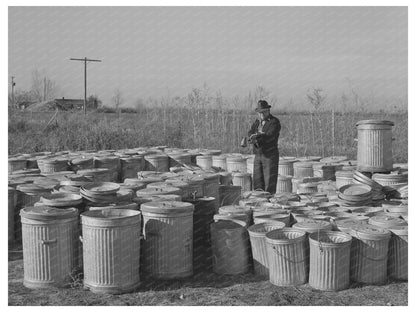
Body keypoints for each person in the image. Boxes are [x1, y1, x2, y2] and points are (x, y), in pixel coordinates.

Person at [248, 100, 281, 194]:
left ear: (268, 111)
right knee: (257, 182)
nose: (261, 114)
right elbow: (250, 132)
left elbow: (270, 136)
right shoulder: (257, 122)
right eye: (260, 112)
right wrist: (252, 137)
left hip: (270, 156)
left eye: (264, 112)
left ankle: (269, 204)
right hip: (258, 154)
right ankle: (259, 203)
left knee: (269, 183)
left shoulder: (274, 122)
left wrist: (259, 137)